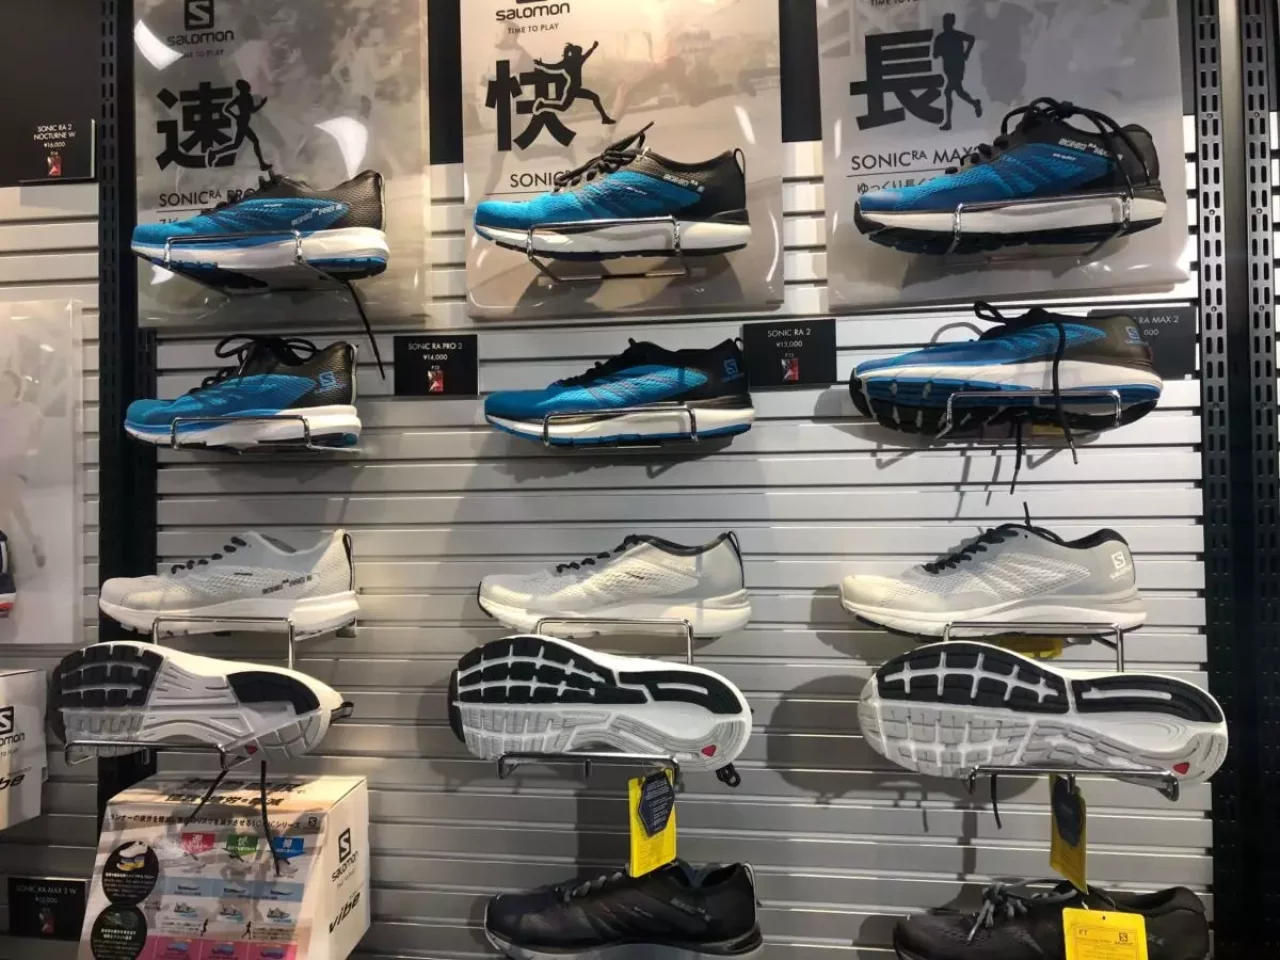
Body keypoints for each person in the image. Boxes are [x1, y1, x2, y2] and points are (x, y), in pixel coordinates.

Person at [534, 41, 615, 124]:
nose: (581, 54)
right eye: (580, 52)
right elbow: (554, 67)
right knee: (564, 107)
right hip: (572, 90)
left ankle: (604, 118)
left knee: (593, 97)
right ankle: (543, 105)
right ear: (576, 53)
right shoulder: (574, 61)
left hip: (574, 89)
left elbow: (554, 67)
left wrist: (541, 64)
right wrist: (593, 48)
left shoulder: (572, 60)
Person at [933, 13, 983, 131]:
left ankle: (948, 122)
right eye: (945, 22)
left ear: (952, 23)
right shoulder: (941, 38)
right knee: (959, 92)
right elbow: (935, 55)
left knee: (948, 92)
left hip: (957, 67)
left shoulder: (956, 35)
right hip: (948, 68)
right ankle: (975, 103)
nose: (946, 24)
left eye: (948, 22)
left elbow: (971, 38)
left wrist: (966, 53)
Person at [216, 80, 273, 171]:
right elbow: (252, 110)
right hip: (243, 123)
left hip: (242, 122)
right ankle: (214, 153)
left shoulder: (239, 98)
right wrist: (262, 104)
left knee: (239, 144)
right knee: (248, 142)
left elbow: (226, 109)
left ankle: (262, 164)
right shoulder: (247, 97)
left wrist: (235, 116)